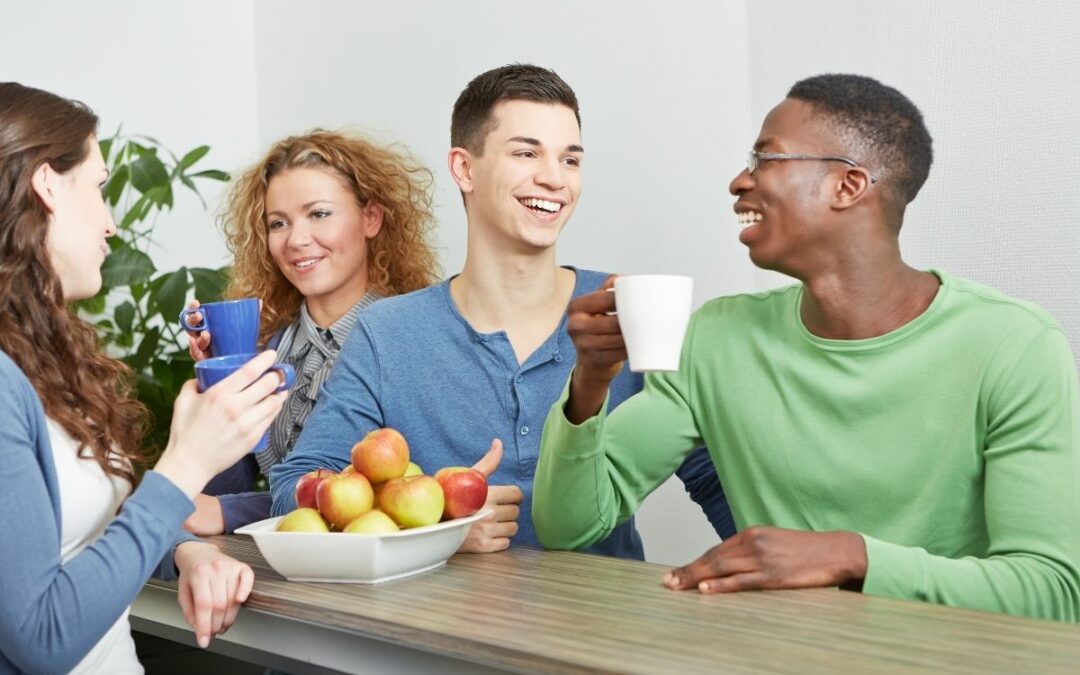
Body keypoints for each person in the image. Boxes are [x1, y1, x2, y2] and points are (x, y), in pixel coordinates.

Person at [532, 73, 1080, 621]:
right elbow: (570, 524)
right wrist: (590, 383)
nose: (738, 182)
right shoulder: (715, 338)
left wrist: (850, 556)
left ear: (848, 185)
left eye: (765, 159)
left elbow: (1051, 593)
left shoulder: (1014, 346)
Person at [269, 64, 733, 556]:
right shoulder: (388, 333)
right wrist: (436, 525)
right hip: (445, 629)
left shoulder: (623, 310)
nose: (554, 179)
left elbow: (717, 482)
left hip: (606, 627)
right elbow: (294, 492)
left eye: (570, 160)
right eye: (526, 153)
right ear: (464, 168)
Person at [0, 82, 290, 673]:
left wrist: (184, 550)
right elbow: (40, 637)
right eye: (99, 188)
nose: (110, 224)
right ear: (48, 186)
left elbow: (86, 542)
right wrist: (184, 467)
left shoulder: (36, 360)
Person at [181, 130, 440, 536]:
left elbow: (392, 498)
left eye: (319, 214)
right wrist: (220, 382)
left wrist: (231, 512)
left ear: (371, 219)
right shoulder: (275, 347)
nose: (297, 240)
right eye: (279, 223)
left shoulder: (410, 341)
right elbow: (219, 496)